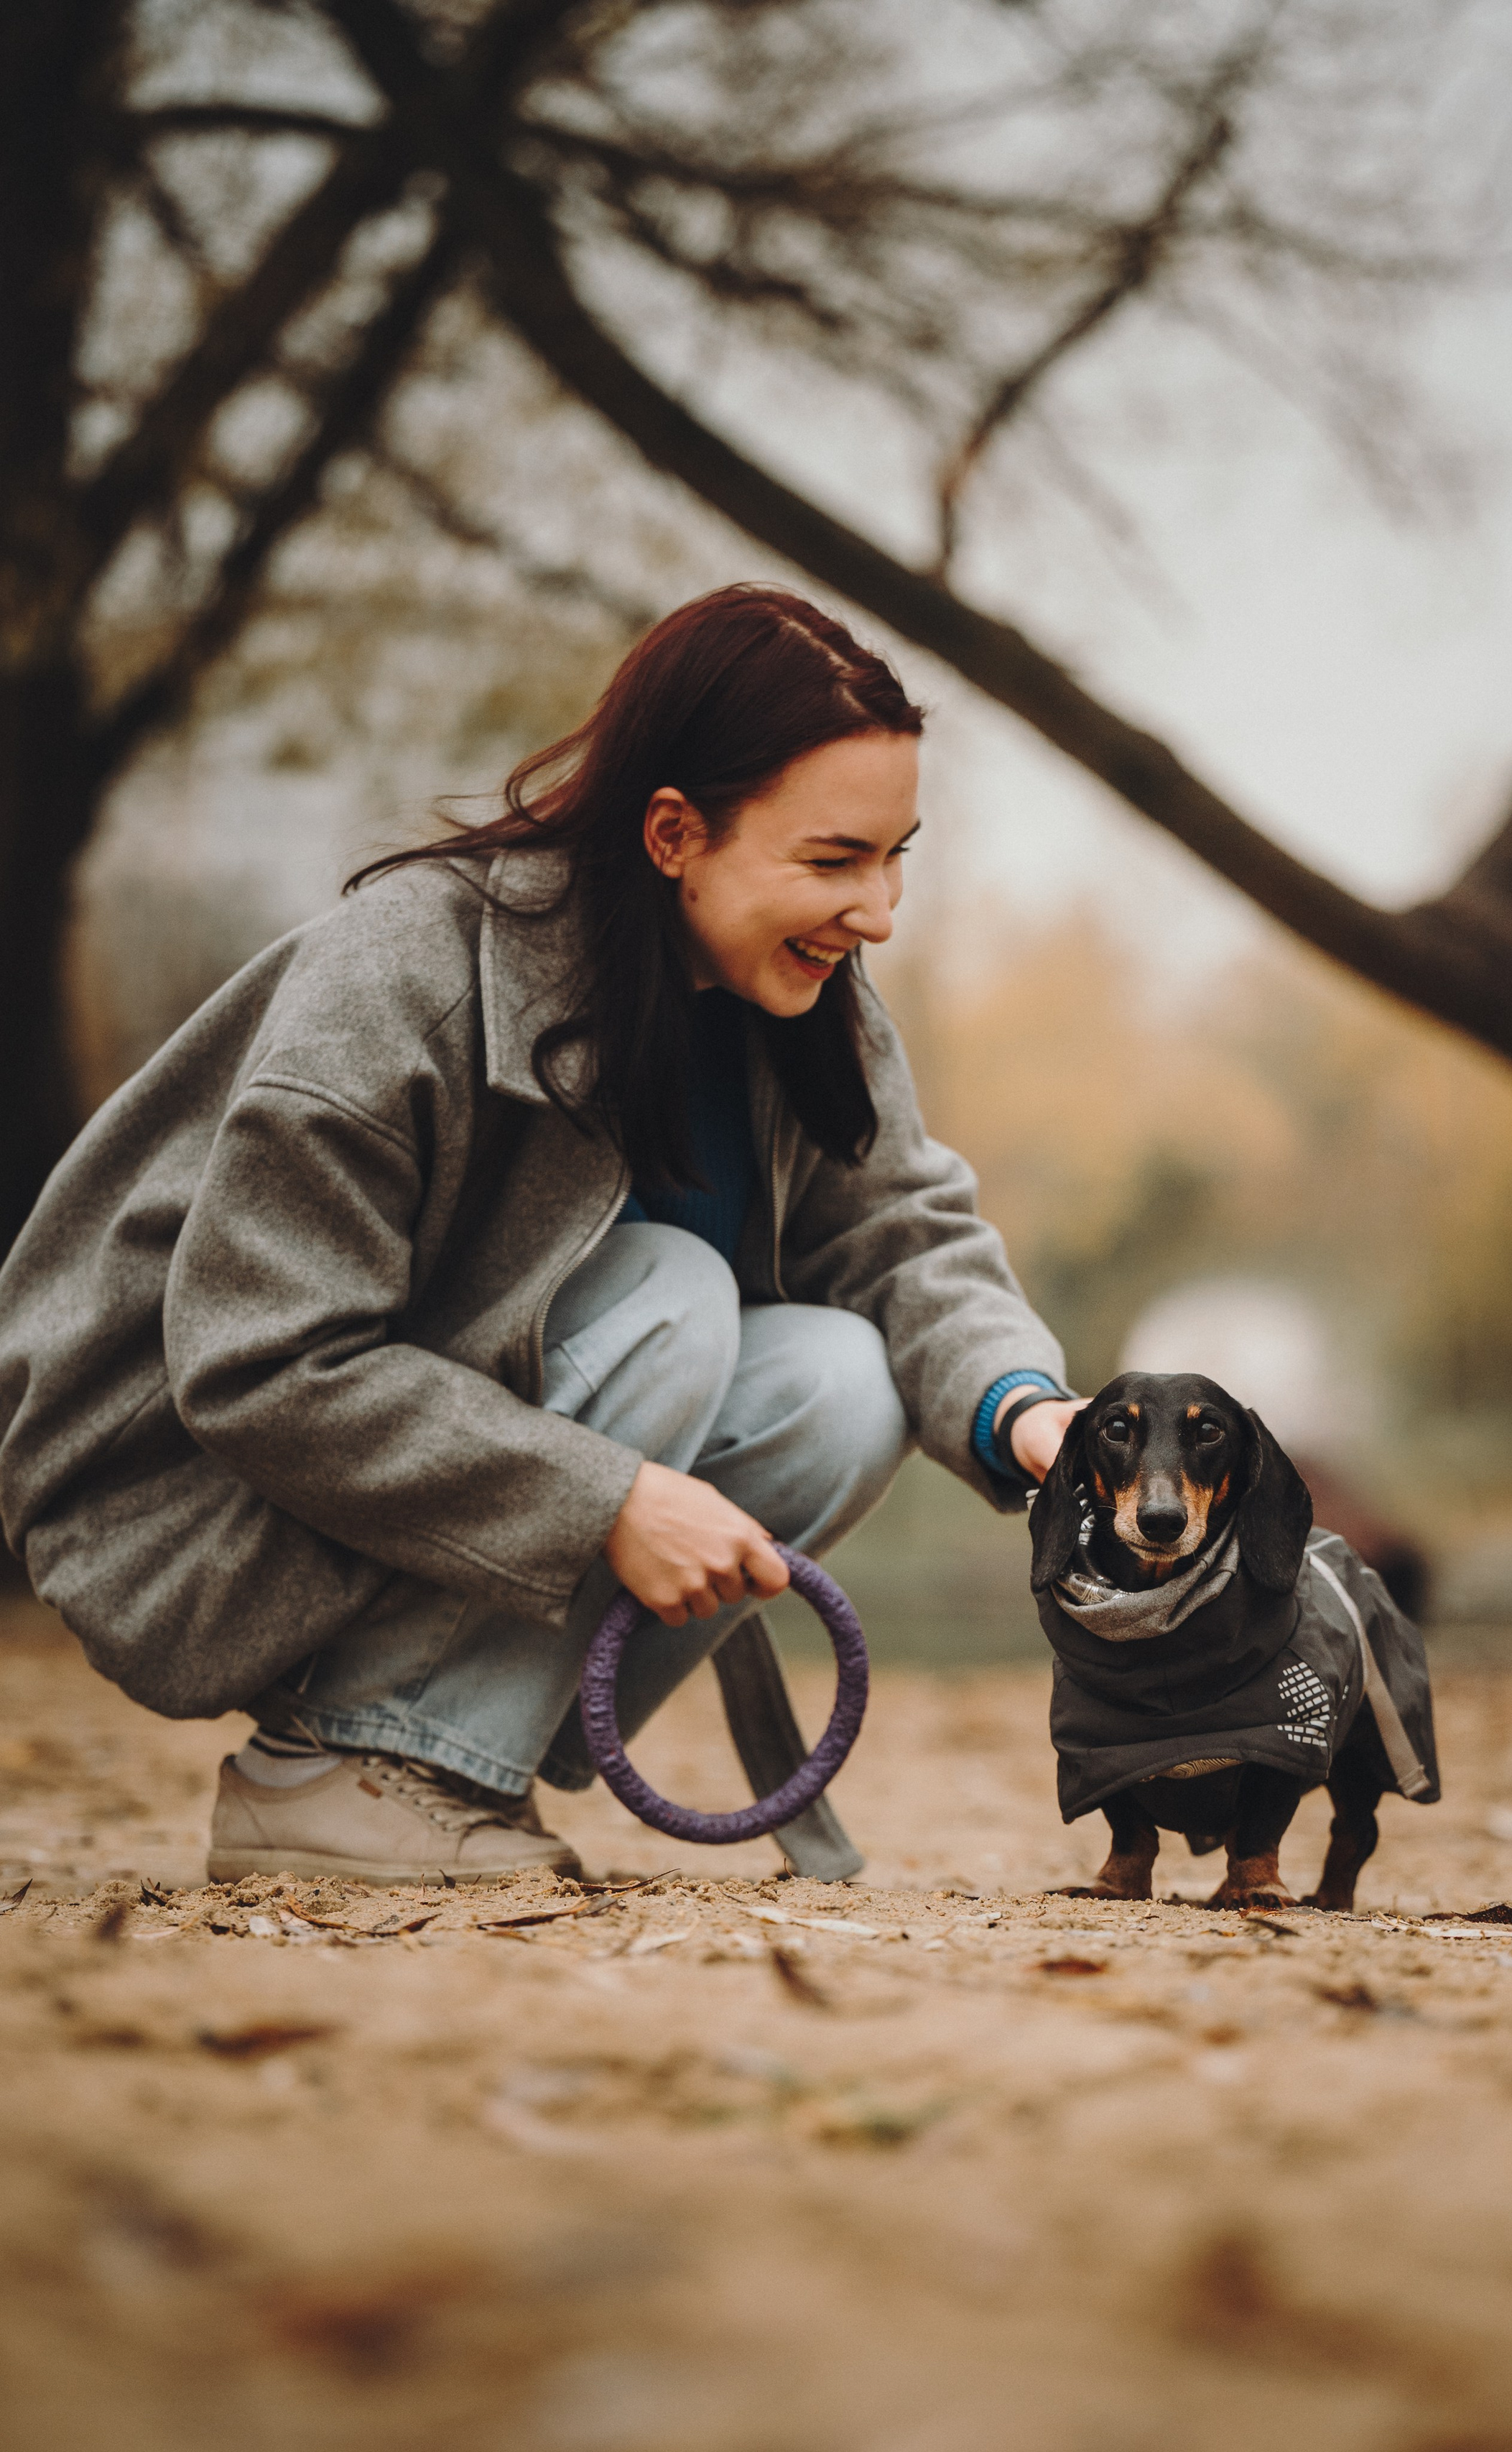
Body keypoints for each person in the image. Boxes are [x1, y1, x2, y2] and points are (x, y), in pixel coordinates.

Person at [0, 587, 1079, 1884]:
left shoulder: (802, 996)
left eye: (897, 855)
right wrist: (606, 1502)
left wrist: (1030, 1411)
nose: (881, 910)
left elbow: (901, 1235)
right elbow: (258, 1362)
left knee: (844, 1383)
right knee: (676, 1291)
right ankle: (344, 1768)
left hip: (433, 1473)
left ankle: (456, 1752)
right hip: (192, 1491)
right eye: (835, 859)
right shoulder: (401, 974)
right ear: (675, 834)